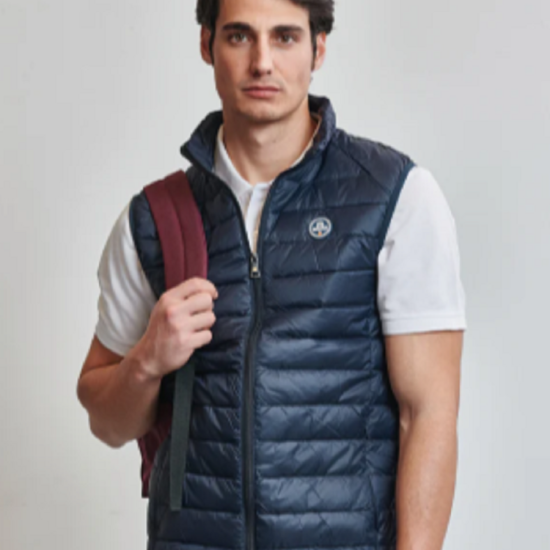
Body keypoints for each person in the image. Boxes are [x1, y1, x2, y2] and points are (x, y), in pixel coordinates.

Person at [77, 1, 466, 549]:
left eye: (285, 37)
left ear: (318, 49)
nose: (262, 62)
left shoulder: (394, 196)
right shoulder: (155, 218)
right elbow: (108, 424)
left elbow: (428, 415)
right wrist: (146, 361)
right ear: (207, 44)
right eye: (240, 36)